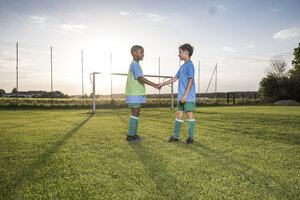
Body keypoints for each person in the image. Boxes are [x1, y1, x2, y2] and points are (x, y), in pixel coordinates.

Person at [159, 43, 196, 144]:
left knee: (189, 114)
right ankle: (175, 137)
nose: (178, 54)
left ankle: (191, 138)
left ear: (186, 52)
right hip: (181, 97)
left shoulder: (190, 65)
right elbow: (175, 78)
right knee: (179, 114)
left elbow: (191, 81)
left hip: (188, 96)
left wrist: (185, 95)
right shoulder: (182, 67)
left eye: (180, 52)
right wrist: (162, 83)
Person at [125, 45, 160, 142]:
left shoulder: (136, 64)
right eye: (141, 52)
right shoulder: (135, 64)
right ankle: (130, 136)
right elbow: (140, 78)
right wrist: (154, 85)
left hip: (136, 94)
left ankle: (134, 134)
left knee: (136, 114)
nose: (143, 55)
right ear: (135, 53)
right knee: (135, 113)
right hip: (133, 93)